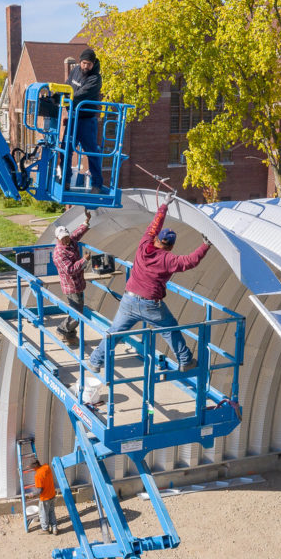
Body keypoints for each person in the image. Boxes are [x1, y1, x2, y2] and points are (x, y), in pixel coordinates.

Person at [88, 192, 211, 373]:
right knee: (170, 328)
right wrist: (205, 245)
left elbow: (154, 226)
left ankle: (95, 361)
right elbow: (190, 261)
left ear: (156, 239)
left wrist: (164, 205)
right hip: (151, 305)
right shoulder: (169, 259)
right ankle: (185, 361)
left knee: (114, 333)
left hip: (129, 300)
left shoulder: (144, 245)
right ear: (170, 246)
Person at [66, 48, 104, 193]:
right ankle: (66, 180)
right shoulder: (75, 71)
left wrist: (67, 98)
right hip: (73, 118)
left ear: (93, 64)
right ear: (80, 61)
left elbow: (81, 95)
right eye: (83, 63)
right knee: (66, 149)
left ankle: (97, 184)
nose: (85, 67)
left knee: (92, 152)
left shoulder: (95, 78)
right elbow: (68, 85)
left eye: (89, 64)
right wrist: (58, 95)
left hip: (87, 120)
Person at [52, 210, 92, 344]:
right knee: (77, 315)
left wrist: (86, 221)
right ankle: (62, 330)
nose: (66, 239)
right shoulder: (59, 254)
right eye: (63, 238)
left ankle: (69, 334)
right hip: (71, 287)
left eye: (67, 236)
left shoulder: (71, 241)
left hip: (79, 283)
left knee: (77, 311)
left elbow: (78, 233)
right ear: (58, 239)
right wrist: (84, 260)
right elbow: (70, 270)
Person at [31, 458, 58, 534]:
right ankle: (54, 528)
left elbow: (40, 490)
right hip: (52, 494)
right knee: (51, 511)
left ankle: (45, 529)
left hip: (45, 497)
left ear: (34, 467)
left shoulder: (38, 475)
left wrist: (32, 494)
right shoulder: (47, 467)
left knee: (43, 513)